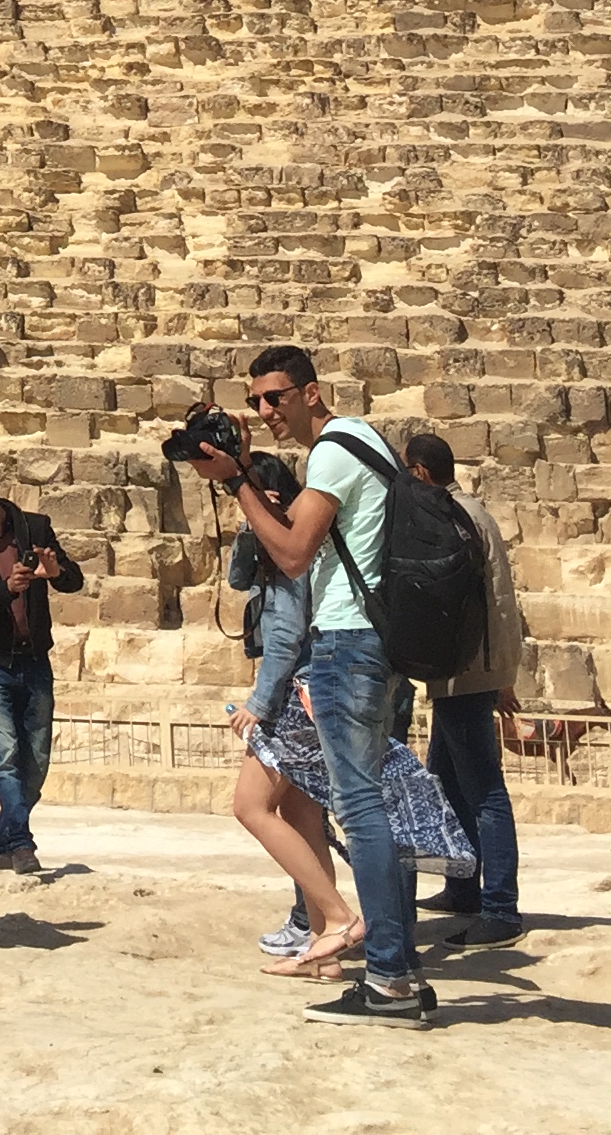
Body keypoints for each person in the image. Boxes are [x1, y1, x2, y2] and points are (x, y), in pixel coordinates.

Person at [184, 345, 435, 1025]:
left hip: (350, 644)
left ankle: (389, 980)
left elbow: (293, 555)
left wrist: (236, 483)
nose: (266, 410)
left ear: (311, 392)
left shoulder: (330, 452)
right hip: (374, 642)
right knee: (368, 808)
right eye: (257, 400)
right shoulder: (364, 440)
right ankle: (396, 969)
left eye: (276, 397)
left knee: (361, 811)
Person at [223, 451, 351, 973]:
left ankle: (340, 918)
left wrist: (258, 704)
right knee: (302, 817)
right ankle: (322, 952)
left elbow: (285, 634)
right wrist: (252, 524)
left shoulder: (296, 551)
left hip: (294, 697)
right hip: (311, 692)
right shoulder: (275, 540)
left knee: (250, 807)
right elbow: (237, 580)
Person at [405, 434, 525, 945]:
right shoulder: (472, 512)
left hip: (464, 670)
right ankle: (463, 887)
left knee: (484, 791)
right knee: (447, 782)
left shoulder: (452, 516)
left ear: (420, 473)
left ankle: (501, 910)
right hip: (469, 668)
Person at [0, 471, 87, 875]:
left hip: (34, 660)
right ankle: (22, 843)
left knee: (36, 760)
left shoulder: (35, 528)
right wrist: (8, 588)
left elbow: (74, 580)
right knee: (7, 752)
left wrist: (55, 573)